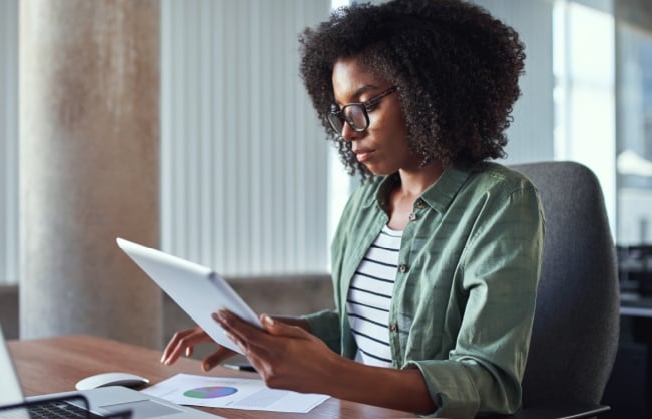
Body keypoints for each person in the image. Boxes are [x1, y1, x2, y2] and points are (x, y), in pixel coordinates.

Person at [161, 0, 544, 417]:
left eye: (366, 105)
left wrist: (330, 375)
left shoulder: (499, 201)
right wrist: (258, 335)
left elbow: (489, 384)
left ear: (429, 92)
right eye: (341, 112)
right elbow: (356, 328)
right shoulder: (366, 201)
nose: (347, 130)